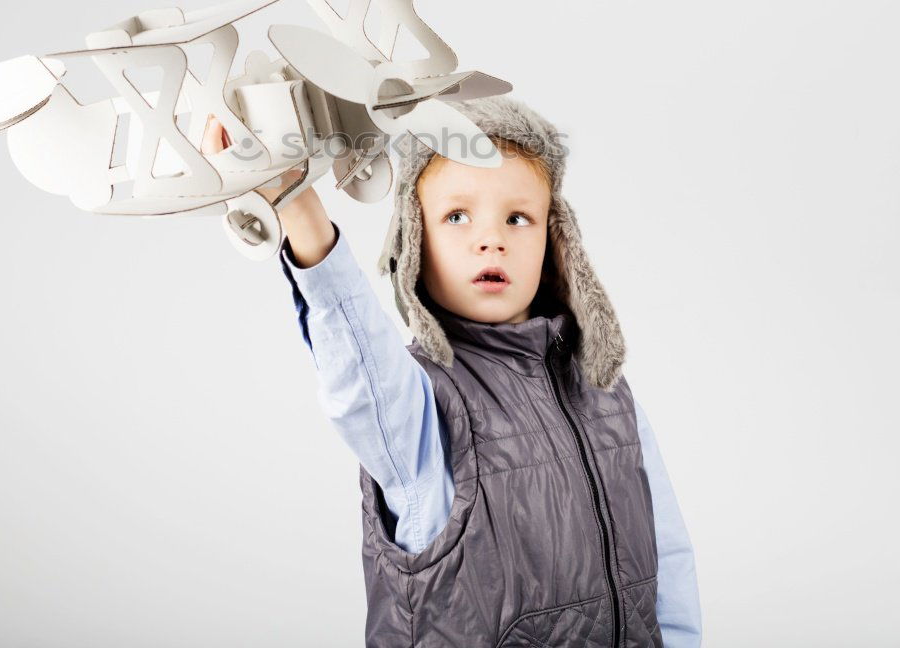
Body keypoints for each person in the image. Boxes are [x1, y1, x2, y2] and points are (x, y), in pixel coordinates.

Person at [203, 95, 702, 647]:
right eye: (456, 216)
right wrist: (296, 206)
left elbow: (668, 554)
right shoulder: (418, 404)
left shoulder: (603, 387)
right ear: (416, 240)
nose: (490, 238)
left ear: (554, 241)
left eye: (518, 217)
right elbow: (359, 365)